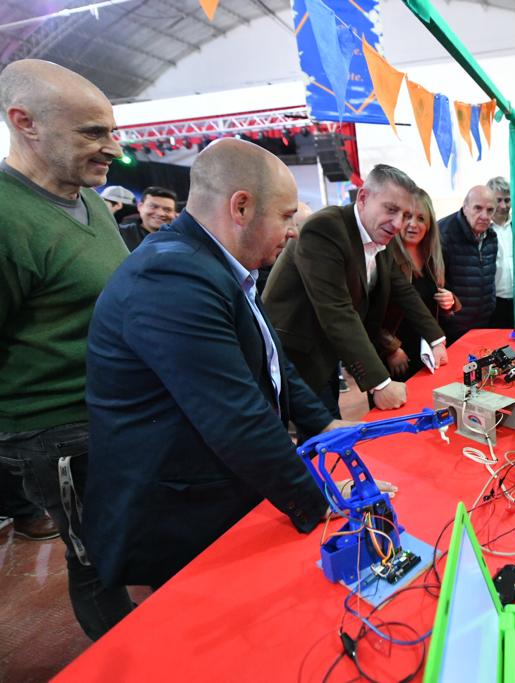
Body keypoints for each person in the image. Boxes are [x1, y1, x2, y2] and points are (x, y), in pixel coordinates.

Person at [84, 139, 359, 589]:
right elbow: (234, 412)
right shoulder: (173, 277)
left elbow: (272, 361)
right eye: (287, 216)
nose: (292, 231)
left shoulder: (215, 265)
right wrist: (319, 501)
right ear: (242, 207)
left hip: (212, 485)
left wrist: (324, 424)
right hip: (176, 513)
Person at [0, 58, 133, 639]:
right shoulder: (7, 218)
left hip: (109, 411)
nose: (114, 148)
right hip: (56, 430)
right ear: (24, 122)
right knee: (98, 561)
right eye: (92, 132)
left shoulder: (91, 200)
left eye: (111, 129)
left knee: (128, 546)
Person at [263, 165, 448, 415]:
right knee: (322, 431)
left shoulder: (383, 235)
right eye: (391, 210)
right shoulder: (325, 228)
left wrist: (436, 338)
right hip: (297, 351)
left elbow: (403, 291)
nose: (398, 224)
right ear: (363, 198)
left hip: (328, 347)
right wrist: (379, 384)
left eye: (405, 214)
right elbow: (337, 310)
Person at [380, 188, 460, 380]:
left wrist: (451, 302)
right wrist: (390, 349)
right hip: (397, 356)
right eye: (407, 217)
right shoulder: (383, 256)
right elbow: (367, 315)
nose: (413, 225)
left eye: (421, 218)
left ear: (430, 223)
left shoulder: (435, 257)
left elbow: (447, 298)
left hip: (430, 352)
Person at [438, 185, 498, 343]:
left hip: (484, 322)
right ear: (465, 207)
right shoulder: (443, 233)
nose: (484, 216)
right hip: (453, 326)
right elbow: (436, 284)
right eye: (478, 208)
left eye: (490, 210)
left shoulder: (491, 236)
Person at [487, 176, 514, 328]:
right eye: (498, 200)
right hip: (494, 302)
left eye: (507, 200)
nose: (503, 206)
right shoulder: (483, 229)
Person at [117, 185, 176, 251]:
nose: (160, 213)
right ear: (140, 207)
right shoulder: (119, 235)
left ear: (174, 213)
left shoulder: (181, 240)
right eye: (153, 206)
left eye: (167, 210)